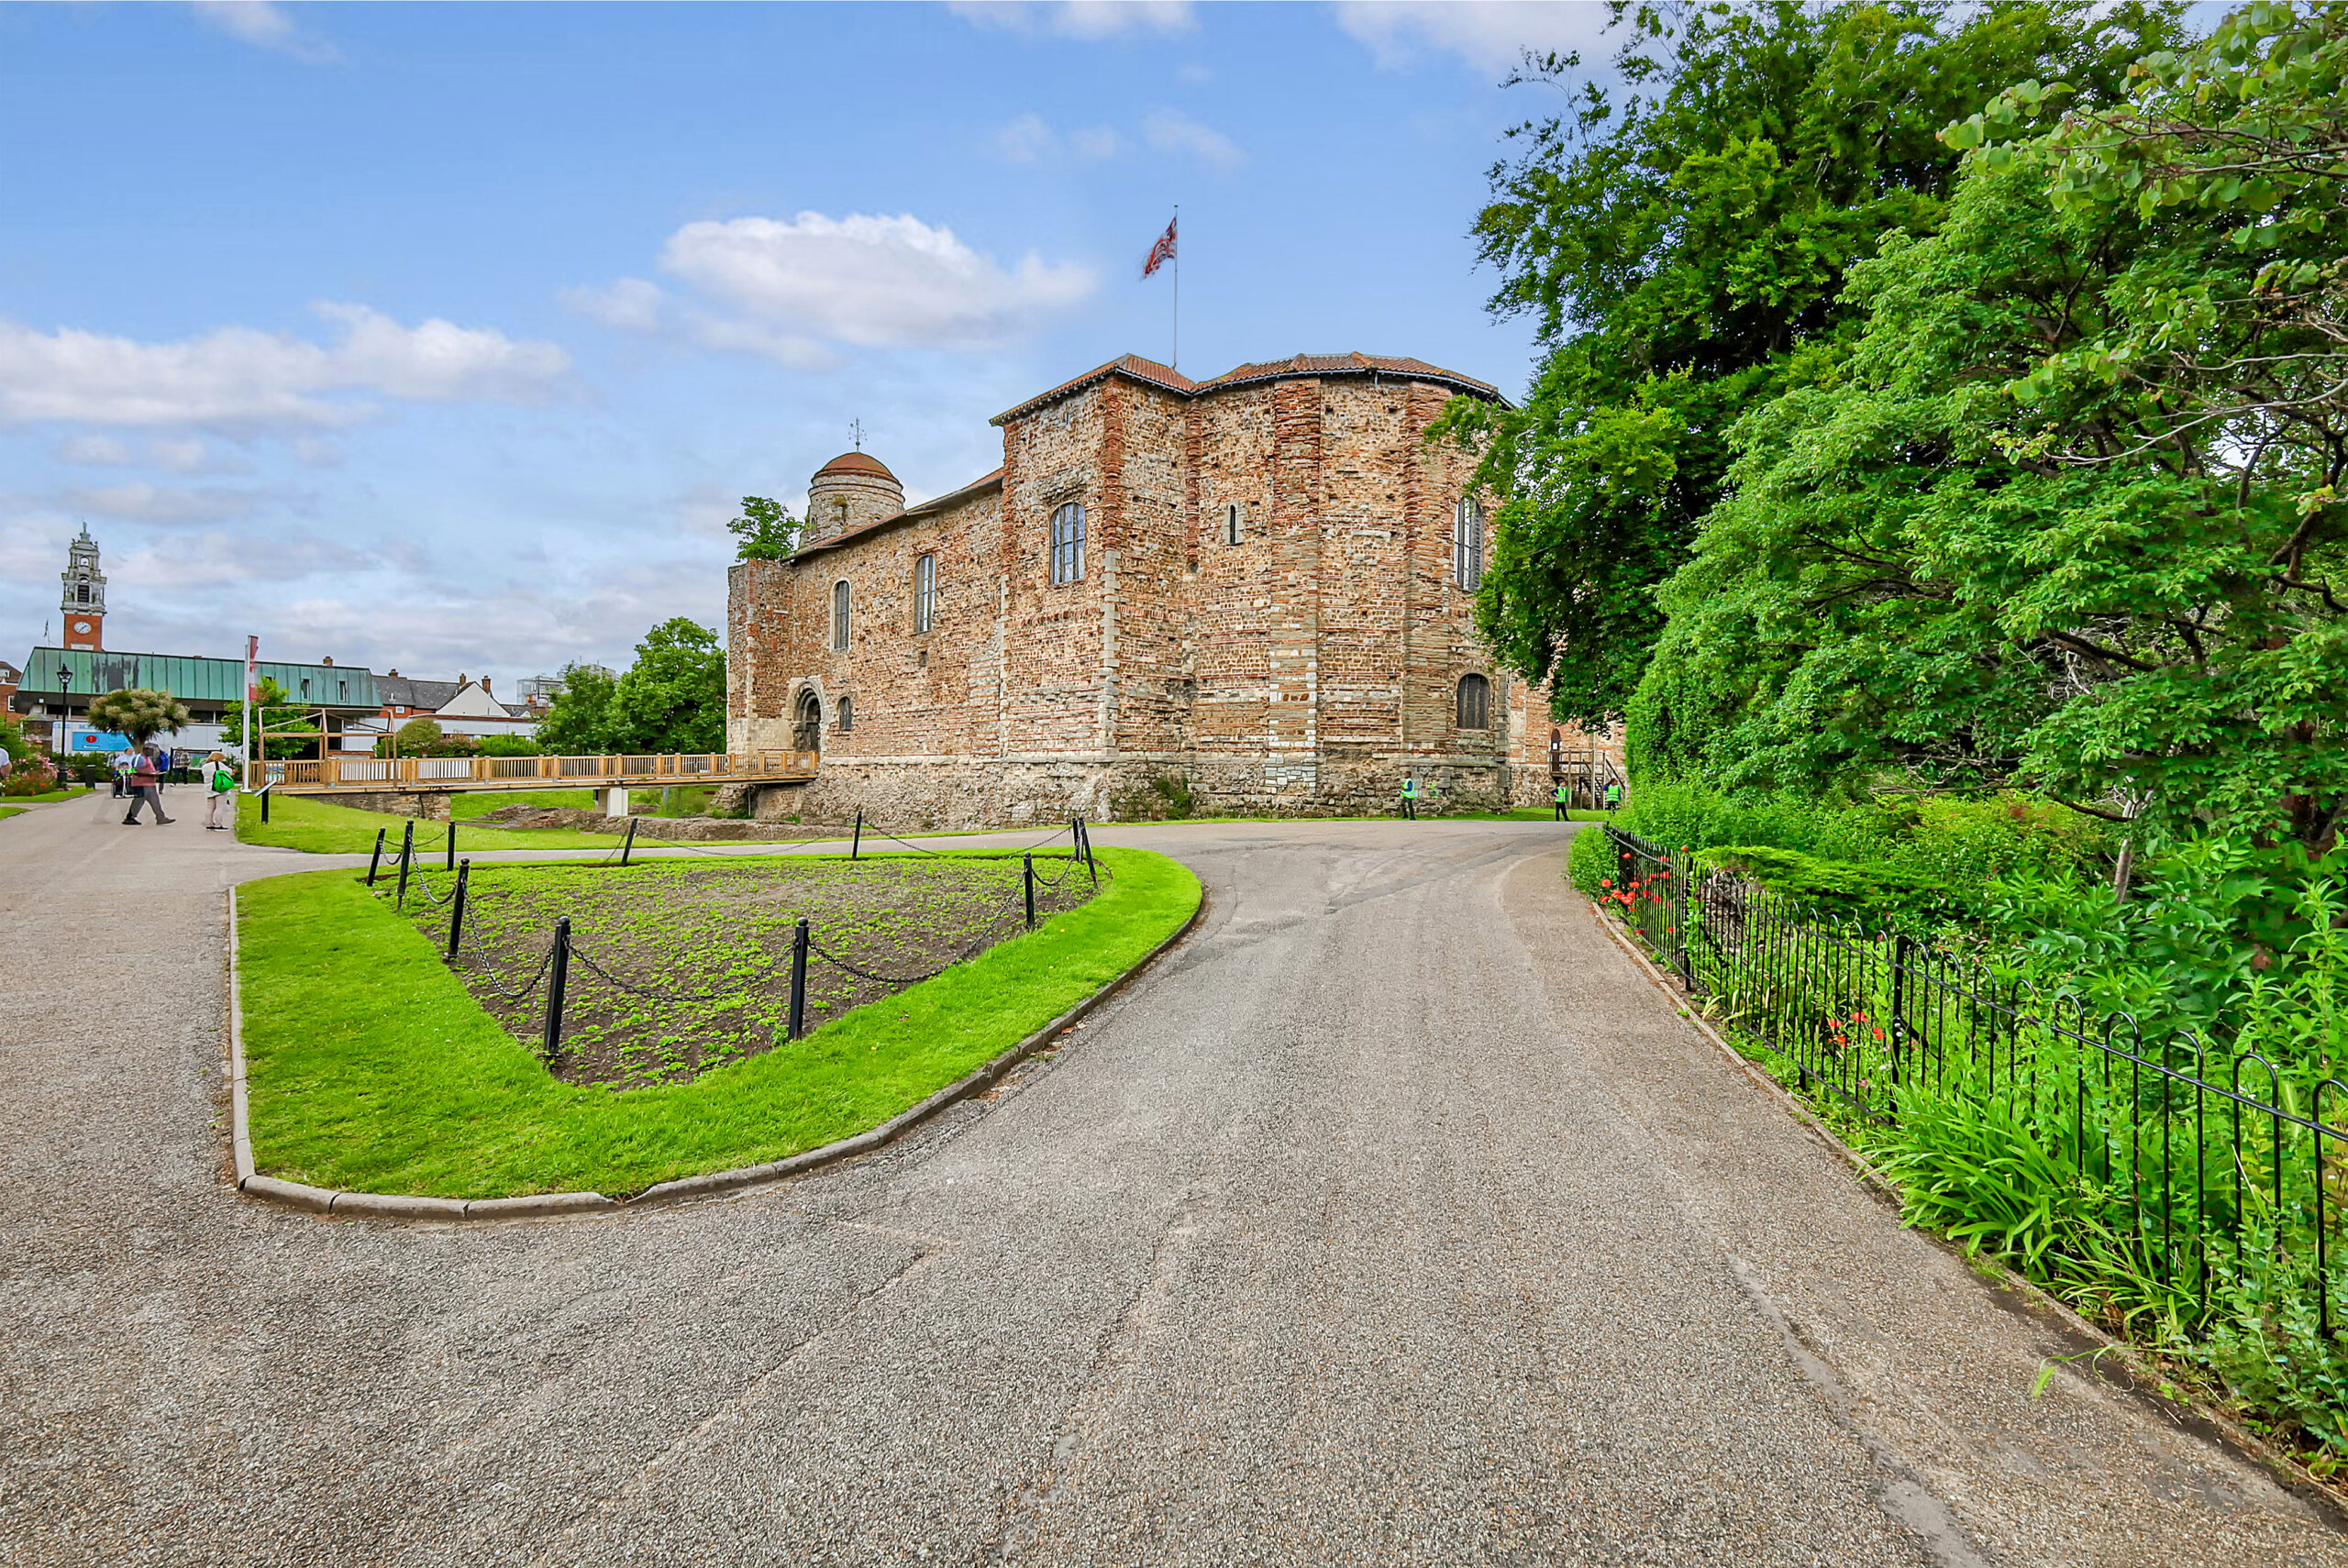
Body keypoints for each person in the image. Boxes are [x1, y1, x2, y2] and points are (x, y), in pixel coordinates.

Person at [122, 744, 173, 825]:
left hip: (148, 783)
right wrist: (151, 774)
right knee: (149, 801)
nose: (153, 752)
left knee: (142, 801)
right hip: (143, 783)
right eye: (152, 750)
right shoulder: (140, 758)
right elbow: (136, 771)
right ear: (146, 750)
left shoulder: (147, 758)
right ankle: (160, 818)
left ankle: (160, 818)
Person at [204, 751, 238, 831]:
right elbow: (229, 771)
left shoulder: (205, 766)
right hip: (219, 787)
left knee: (210, 807)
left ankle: (209, 824)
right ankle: (218, 825)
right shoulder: (219, 764)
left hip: (209, 787)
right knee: (220, 807)